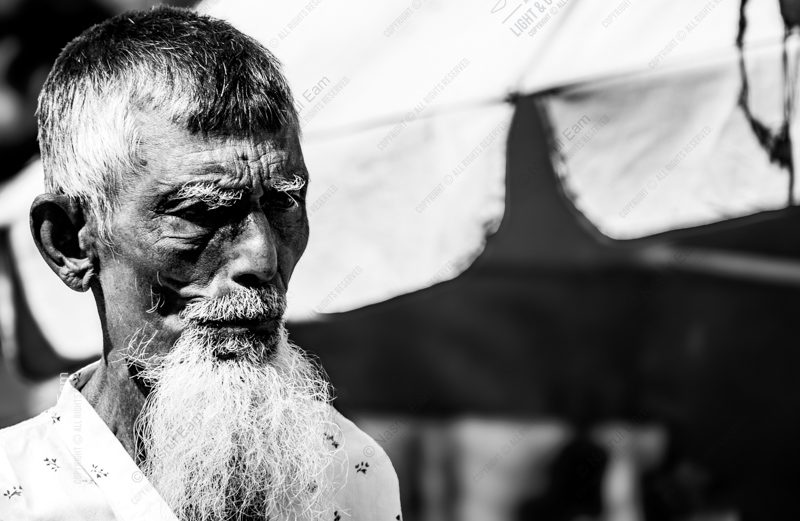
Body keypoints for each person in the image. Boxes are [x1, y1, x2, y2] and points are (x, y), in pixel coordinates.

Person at [0, 7, 401, 521]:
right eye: (202, 211)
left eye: (283, 203)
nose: (262, 258)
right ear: (71, 244)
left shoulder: (349, 473)